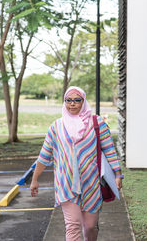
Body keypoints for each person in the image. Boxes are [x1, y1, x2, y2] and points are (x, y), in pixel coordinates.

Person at [30, 86, 123, 241]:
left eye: (77, 100)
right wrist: (34, 179)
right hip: (66, 185)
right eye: (68, 100)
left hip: (91, 184)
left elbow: (109, 150)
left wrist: (118, 174)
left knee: (90, 227)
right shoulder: (56, 127)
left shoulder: (97, 123)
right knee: (72, 225)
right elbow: (44, 156)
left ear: (83, 101)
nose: (72, 104)